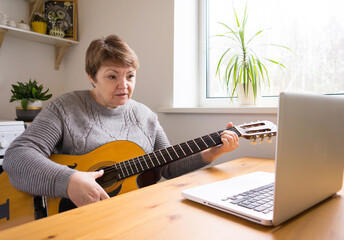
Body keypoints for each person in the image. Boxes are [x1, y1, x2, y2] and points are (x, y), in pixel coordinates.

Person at [3, 35, 239, 208]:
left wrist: (208, 154)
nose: (123, 85)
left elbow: (168, 166)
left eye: (130, 76)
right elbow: (17, 156)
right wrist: (69, 180)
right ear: (91, 76)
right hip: (71, 217)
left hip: (133, 214)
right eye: (112, 76)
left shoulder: (146, 117)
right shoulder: (65, 108)